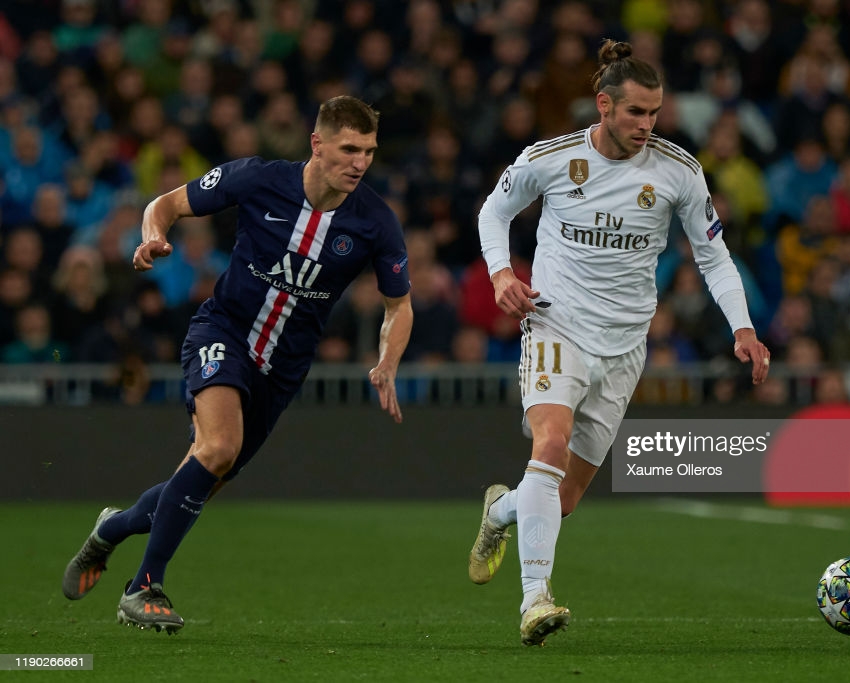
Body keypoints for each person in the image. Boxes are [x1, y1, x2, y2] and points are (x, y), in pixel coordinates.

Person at [61, 95, 413, 634]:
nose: (359, 163)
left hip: (282, 371)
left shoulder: (375, 222)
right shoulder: (257, 178)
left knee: (203, 476)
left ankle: (114, 528)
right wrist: (153, 234)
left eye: (367, 151)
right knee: (218, 448)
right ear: (317, 144)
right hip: (223, 331)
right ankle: (142, 586)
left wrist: (387, 360)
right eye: (348, 149)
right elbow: (167, 203)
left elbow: (398, 305)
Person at [467, 40, 770, 647]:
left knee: (565, 495)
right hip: (557, 324)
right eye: (636, 113)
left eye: (654, 113)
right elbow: (492, 213)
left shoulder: (679, 172)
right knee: (548, 444)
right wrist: (502, 273)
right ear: (603, 105)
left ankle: (501, 511)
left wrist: (743, 326)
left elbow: (713, 255)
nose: (647, 125)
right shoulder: (550, 158)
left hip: (626, 344)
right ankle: (535, 599)